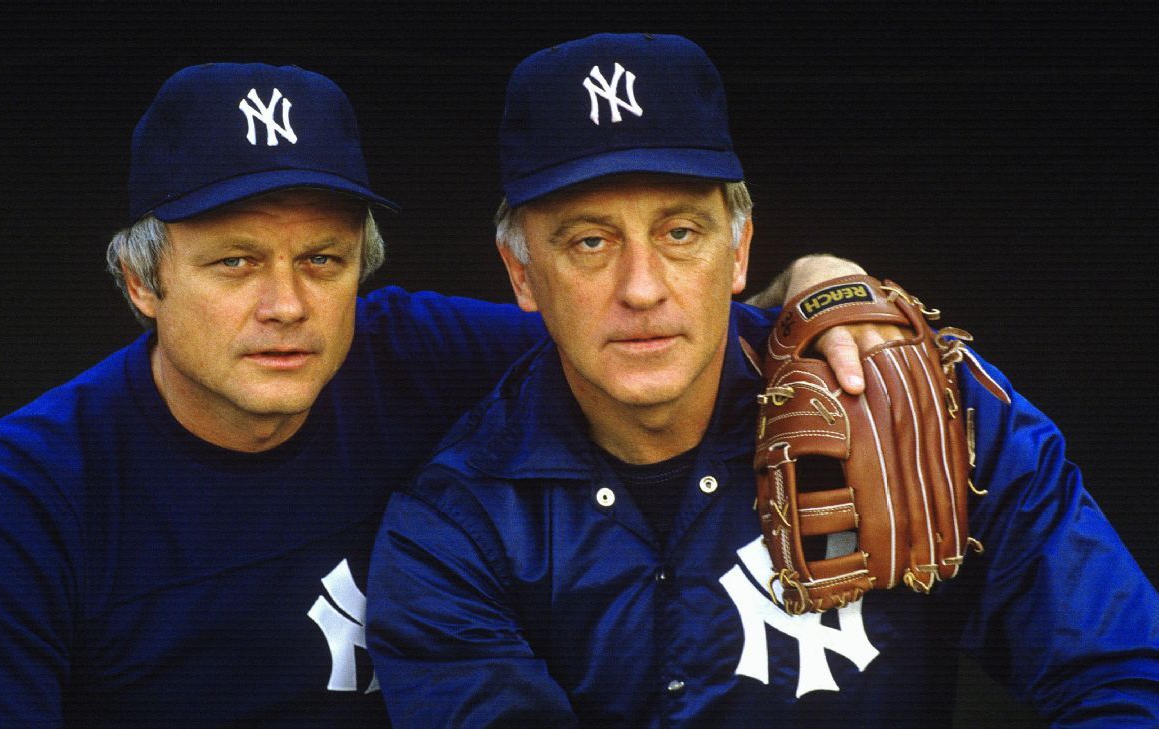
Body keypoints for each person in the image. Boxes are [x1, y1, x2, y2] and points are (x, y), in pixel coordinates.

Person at [0, 61, 881, 727]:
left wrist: (821, 286)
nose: (285, 304)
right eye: (234, 262)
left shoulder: (415, 356)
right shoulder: (18, 503)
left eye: (321, 260)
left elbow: (656, 333)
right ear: (142, 283)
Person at [365, 33, 1159, 727]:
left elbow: (1126, 674)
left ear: (739, 251)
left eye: (681, 232)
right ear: (521, 272)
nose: (642, 286)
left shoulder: (916, 405)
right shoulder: (452, 529)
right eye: (588, 242)